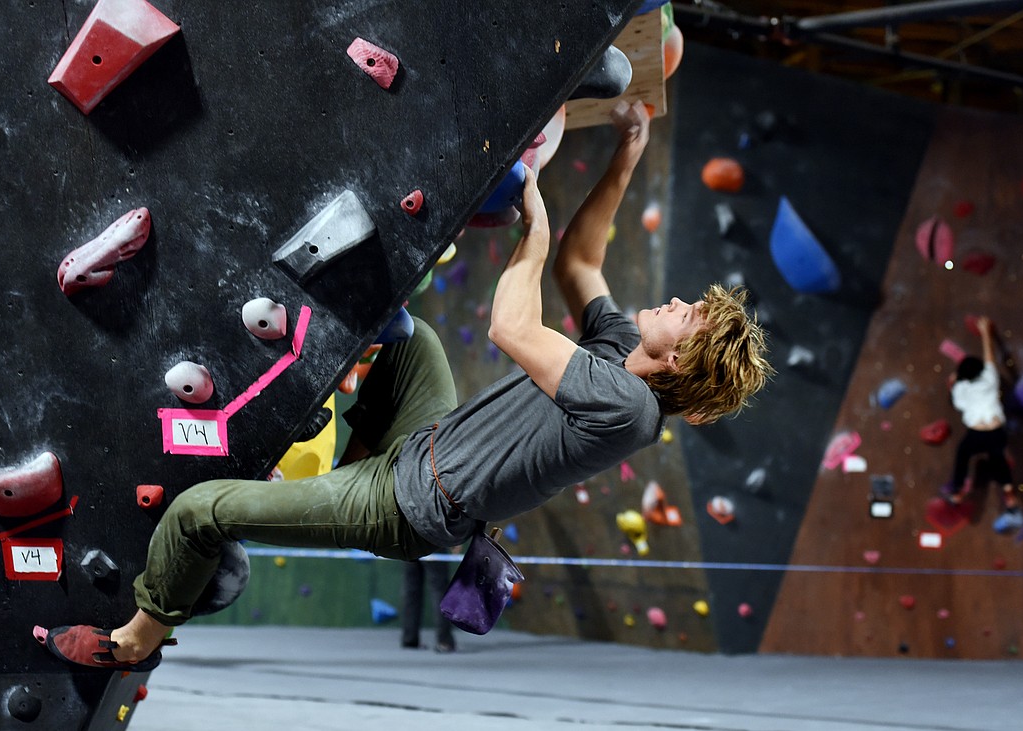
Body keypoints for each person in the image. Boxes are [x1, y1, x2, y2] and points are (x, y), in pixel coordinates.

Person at [39, 100, 772, 671]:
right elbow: (584, 262)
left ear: (678, 362)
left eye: (690, 317)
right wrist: (626, 155)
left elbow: (512, 327)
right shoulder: (619, 351)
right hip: (427, 442)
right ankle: (340, 465)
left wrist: (533, 224)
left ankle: (136, 636)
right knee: (411, 337)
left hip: (407, 503)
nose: (678, 303)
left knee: (200, 511)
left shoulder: (631, 406)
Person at [942, 316, 1023, 532]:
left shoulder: (961, 389)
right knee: (998, 457)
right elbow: (989, 357)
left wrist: (951, 384)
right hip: (996, 432)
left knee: (963, 454)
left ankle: (957, 492)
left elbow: (958, 404)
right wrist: (986, 331)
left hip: (976, 434)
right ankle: (1009, 494)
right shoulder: (990, 377)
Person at [400, 558, 455, 653]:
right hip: (434, 546)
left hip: (410, 548)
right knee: (439, 590)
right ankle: (444, 641)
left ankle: (410, 639)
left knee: (411, 590)